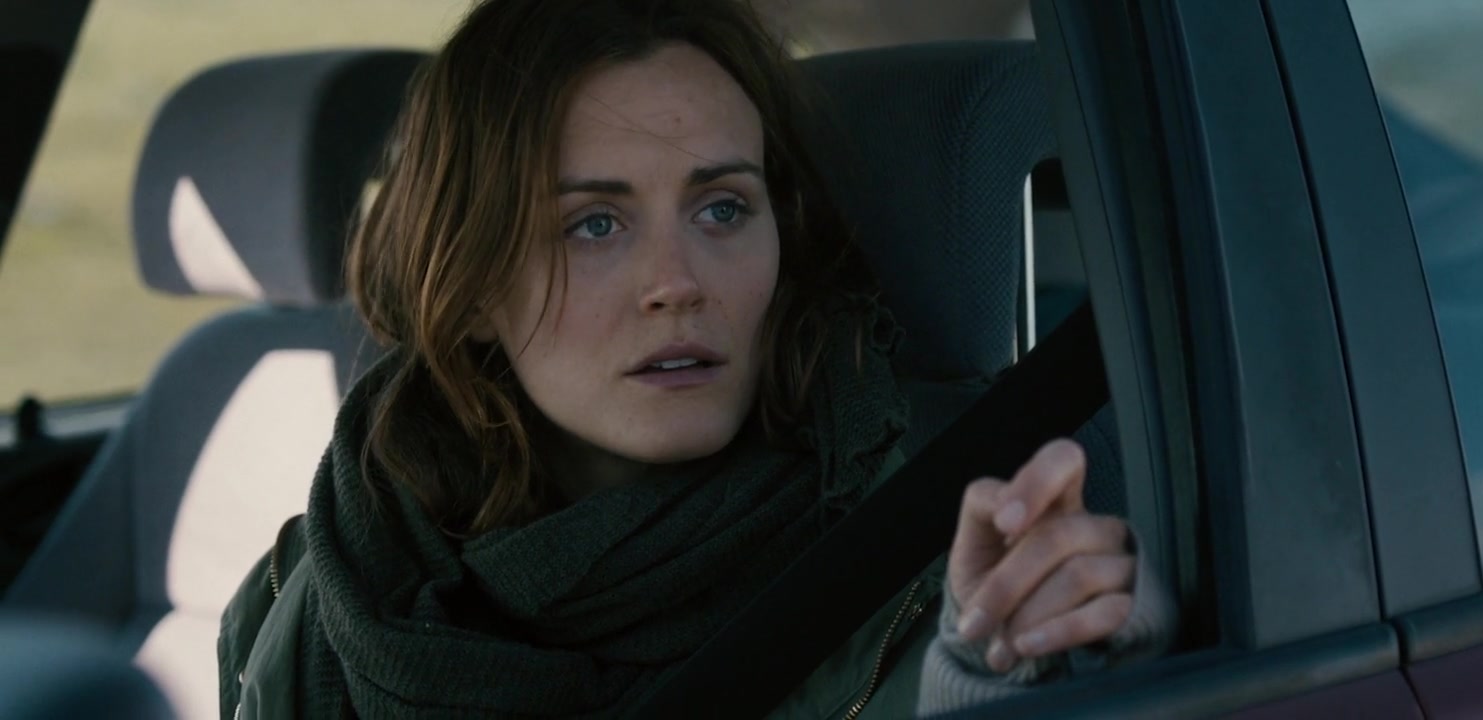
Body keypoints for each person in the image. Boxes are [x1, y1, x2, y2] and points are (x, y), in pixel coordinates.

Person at [216, 0, 1175, 717]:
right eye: (594, 224)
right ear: (470, 289)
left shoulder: (955, 567)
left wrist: (1001, 683)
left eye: (722, 208)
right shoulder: (323, 585)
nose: (677, 284)